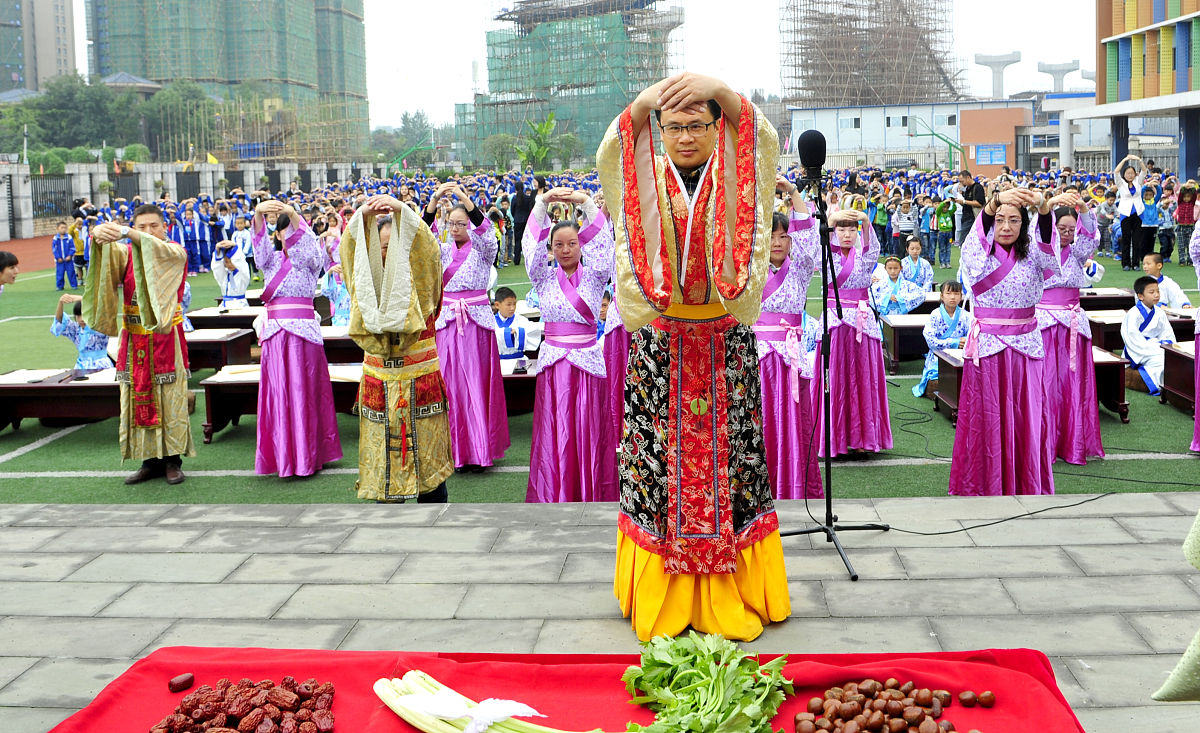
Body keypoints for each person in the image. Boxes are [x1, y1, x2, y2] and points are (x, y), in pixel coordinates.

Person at [597, 71, 788, 642]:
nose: (685, 137)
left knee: (736, 469)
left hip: (725, 344)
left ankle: (737, 591)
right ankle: (660, 592)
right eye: (674, 126)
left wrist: (727, 93)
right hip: (661, 347)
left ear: (715, 127)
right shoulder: (644, 175)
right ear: (660, 129)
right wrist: (642, 101)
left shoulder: (738, 171)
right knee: (656, 465)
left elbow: (766, 144)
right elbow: (612, 155)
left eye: (697, 125)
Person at [339, 195, 454, 502]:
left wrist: (402, 209)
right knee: (383, 475)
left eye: (395, 248)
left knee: (429, 474)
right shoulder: (365, 284)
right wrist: (362, 215)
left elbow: (427, 248)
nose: (388, 255)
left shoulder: (421, 279)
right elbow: (350, 252)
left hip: (421, 381)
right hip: (379, 383)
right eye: (382, 249)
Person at [949, 188, 1059, 496]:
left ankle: (1026, 481)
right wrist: (993, 203)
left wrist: (1044, 210)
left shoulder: (1032, 256)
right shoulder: (978, 257)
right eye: (999, 220)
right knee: (985, 419)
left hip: (1025, 348)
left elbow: (1048, 248)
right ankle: (982, 483)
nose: (1006, 227)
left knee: (1028, 416)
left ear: (1024, 226)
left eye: (1014, 220)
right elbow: (971, 248)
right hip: (988, 350)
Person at [83, 205, 195, 485]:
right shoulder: (127, 254)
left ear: (165, 227)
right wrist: (99, 235)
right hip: (135, 339)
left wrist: (126, 232)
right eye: (141, 226)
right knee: (136, 398)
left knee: (170, 399)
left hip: (166, 337)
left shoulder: (174, 252)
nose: (147, 232)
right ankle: (149, 461)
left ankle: (172, 461)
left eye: (153, 226)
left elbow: (160, 252)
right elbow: (107, 255)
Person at [522, 186, 616, 503]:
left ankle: (590, 490)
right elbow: (530, 252)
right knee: (555, 429)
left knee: (588, 430)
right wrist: (541, 204)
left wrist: (587, 204)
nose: (565, 249)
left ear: (581, 245)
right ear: (550, 247)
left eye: (572, 243)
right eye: (558, 244)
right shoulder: (543, 278)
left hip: (587, 361)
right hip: (553, 364)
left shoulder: (595, 276)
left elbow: (605, 248)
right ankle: (555, 491)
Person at [251, 199, 343, 477]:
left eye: (292, 228)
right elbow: (258, 253)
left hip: (304, 333)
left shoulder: (309, 258)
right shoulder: (269, 260)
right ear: (275, 234)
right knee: (278, 394)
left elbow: (309, 254)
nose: (288, 233)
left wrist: (292, 214)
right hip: (276, 333)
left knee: (306, 392)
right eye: (283, 229)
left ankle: (308, 455)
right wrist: (257, 214)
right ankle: (282, 455)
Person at [424, 181, 510, 471]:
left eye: (461, 223)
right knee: (450, 385)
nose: (456, 228)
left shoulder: (483, 249)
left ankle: (480, 449)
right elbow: (422, 239)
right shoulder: (442, 251)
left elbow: (488, 234)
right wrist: (435, 201)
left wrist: (466, 201)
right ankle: (454, 451)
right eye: (451, 223)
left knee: (476, 383)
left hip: (476, 323)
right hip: (447, 321)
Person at [754, 182, 821, 500]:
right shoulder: (749, 273)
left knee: (794, 425)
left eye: (784, 236)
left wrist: (794, 194)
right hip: (757, 359)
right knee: (760, 422)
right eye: (771, 235)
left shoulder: (801, 269)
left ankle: (795, 487)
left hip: (791, 358)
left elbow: (810, 243)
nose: (778, 242)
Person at [1035, 193, 1104, 466]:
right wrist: (1047, 206)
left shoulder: (1077, 252)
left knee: (1072, 384)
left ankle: (1073, 443)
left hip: (1073, 322)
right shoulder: (1041, 251)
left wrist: (1084, 208)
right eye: (1060, 228)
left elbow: (1089, 236)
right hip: (1045, 324)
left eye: (1069, 229)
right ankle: (1044, 443)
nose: (1065, 233)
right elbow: (1036, 230)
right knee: (1047, 383)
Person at [817, 206, 892, 457]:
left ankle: (863, 438)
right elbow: (816, 247)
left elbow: (873, 245)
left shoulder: (865, 256)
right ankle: (833, 439)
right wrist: (830, 220)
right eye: (841, 229)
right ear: (833, 231)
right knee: (835, 381)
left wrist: (865, 220)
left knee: (863, 381)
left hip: (862, 324)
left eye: (852, 229)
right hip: (834, 324)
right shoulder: (826, 255)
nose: (847, 234)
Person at [912, 281, 973, 397]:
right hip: (938, 356)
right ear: (941, 296)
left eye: (956, 294)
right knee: (936, 377)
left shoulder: (966, 315)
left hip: (960, 354)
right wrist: (954, 342)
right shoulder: (935, 315)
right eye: (948, 293)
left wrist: (964, 341)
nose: (952, 297)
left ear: (961, 296)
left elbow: (972, 336)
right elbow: (931, 341)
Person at [1122, 276, 1176, 394]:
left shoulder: (1160, 313)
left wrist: (1164, 346)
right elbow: (1132, 339)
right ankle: (1162, 387)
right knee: (1161, 362)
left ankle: (1172, 387)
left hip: (1157, 348)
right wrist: (1155, 347)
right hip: (1137, 352)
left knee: (1170, 359)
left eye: (1158, 291)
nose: (1156, 295)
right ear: (1140, 296)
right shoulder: (1132, 314)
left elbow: (1167, 335)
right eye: (1152, 292)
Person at [51, 293, 113, 373]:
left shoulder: (100, 326)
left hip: (101, 366)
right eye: (78, 316)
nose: (81, 319)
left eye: (85, 315)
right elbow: (59, 320)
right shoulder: (76, 329)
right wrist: (61, 302)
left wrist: (79, 298)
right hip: (81, 366)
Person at [1114, 154, 1148, 270]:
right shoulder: (1120, 184)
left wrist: (1138, 160)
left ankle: (1136, 263)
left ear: (1135, 174)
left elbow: (1144, 170)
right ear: (1124, 174)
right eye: (1127, 173)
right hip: (1125, 213)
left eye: (1132, 173)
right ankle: (1126, 263)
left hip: (1138, 213)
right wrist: (1124, 159)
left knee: (1137, 239)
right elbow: (1116, 171)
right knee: (1126, 239)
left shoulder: (1139, 181)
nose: (1130, 175)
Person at [492, 286, 541, 362]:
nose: (512, 308)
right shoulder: (491, 321)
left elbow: (534, 329)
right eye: (508, 304)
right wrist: (507, 332)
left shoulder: (520, 319)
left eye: (514, 304)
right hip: (497, 361)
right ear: (497, 305)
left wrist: (518, 331)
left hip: (519, 359)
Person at [211, 239, 250, 309]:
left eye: (231, 261)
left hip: (240, 305)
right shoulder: (224, 276)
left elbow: (240, 261)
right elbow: (216, 268)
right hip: (225, 305)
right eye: (226, 262)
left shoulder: (243, 274)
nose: (229, 264)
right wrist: (218, 250)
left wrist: (234, 246)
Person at [954, 170, 986, 245]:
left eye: (962, 181)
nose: (962, 183)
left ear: (968, 177)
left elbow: (979, 203)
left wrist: (964, 202)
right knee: (965, 241)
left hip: (973, 217)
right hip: (965, 217)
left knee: (964, 242)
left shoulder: (978, 187)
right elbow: (967, 203)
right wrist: (960, 202)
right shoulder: (967, 189)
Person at [52, 221, 78, 291]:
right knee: (60, 273)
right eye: (62, 228)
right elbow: (54, 249)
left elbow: (72, 248)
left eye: (65, 228)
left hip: (68, 260)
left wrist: (70, 255)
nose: (63, 229)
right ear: (57, 229)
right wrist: (57, 257)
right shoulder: (55, 238)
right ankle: (60, 286)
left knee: (71, 272)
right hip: (60, 260)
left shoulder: (69, 237)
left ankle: (74, 285)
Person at [933, 195, 956, 269]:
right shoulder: (939, 213)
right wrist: (944, 202)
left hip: (949, 232)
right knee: (942, 248)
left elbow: (954, 208)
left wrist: (953, 202)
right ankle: (942, 263)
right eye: (944, 207)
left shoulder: (949, 213)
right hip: (942, 232)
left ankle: (947, 262)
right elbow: (939, 208)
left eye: (947, 207)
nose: (945, 209)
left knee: (948, 248)